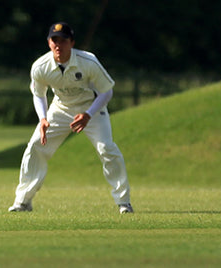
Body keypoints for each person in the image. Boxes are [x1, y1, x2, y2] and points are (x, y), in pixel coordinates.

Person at [10, 22, 133, 214]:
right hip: (60, 108)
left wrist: (88, 115)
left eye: (63, 40)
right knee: (35, 146)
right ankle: (23, 201)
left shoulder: (88, 61)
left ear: (72, 42)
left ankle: (124, 202)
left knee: (106, 148)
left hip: (91, 108)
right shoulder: (40, 66)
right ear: (49, 42)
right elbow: (38, 94)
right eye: (54, 40)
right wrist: (42, 119)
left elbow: (106, 92)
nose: (58, 45)